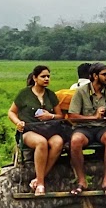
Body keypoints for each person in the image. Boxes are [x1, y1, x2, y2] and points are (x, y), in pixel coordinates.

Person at [66, 62, 106, 194]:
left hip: (103, 127)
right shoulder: (81, 92)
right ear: (94, 76)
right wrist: (93, 117)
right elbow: (72, 116)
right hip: (84, 127)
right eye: (104, 74)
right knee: (76, 140)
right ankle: (82, 181)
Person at [9, 65, 68, 195]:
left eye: (48, 76)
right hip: (29, 131)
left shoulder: (51, 95)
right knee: (41, 142)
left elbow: (60, 116)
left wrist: (50, 116)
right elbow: (11, 112)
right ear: (35, 78)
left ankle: (38, 178)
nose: (46, 79)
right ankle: (41, 184)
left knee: (58, 142)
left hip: (49, 129)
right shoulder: (24, 94)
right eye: (43, 76)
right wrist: (18, 122)